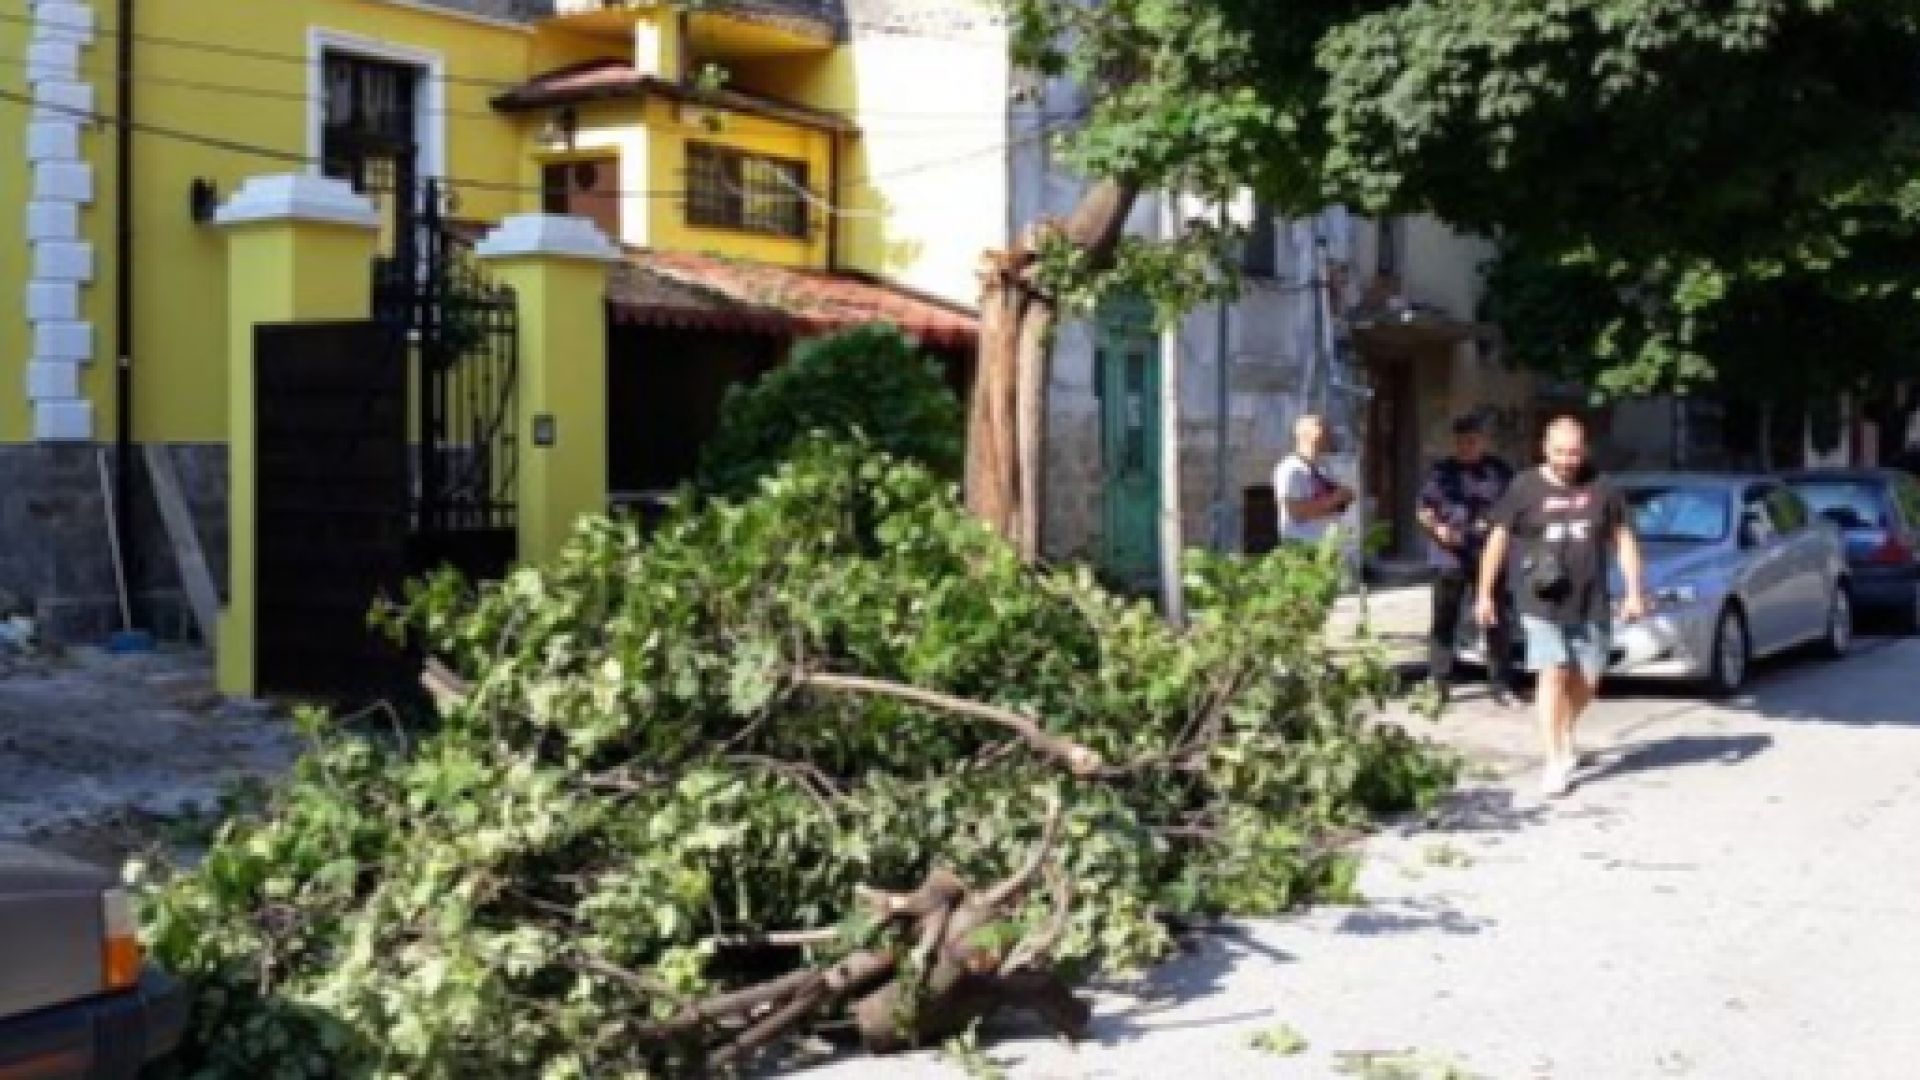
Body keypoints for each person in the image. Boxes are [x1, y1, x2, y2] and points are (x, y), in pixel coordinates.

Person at [1475, 417, 1646, 798]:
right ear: (1544, 448)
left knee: (1587, 680)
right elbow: (1497, 540)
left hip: (1591, 599)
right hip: (1539, 599)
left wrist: (1635, 590)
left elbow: (1623, 539)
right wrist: (1485, 593)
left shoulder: (1602, 487)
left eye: (1574, 452)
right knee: (1552, 673)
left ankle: (1564, 727)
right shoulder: (1524, 487)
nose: (1568, 460)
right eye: (1560, 452)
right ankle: (1555, 760)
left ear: (1584, 449)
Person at [1417, 414, 1517, 705]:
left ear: (1483, 441)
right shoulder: (1441, 472)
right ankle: (1439, 684)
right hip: (1449, 556)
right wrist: (1437, 529)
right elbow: (1423, 511)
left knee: (1495, 618)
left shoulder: (1499, 472)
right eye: (1461, 441)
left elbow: (1512, 511)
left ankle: (1501, 685)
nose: (1466, 446)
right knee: (1444, 620)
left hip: (1489, 554)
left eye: (1472, 441)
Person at [1274, 413, 1355, 544]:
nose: (1329, 434)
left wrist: (1345, 497)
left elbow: (1335, 501)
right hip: (1302, 549)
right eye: (1321, 427)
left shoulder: (1324, 468)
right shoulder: (1291, 469)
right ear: (1305, 435)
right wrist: (1335, 499)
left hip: (1327, 547)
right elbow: (1295, 511)